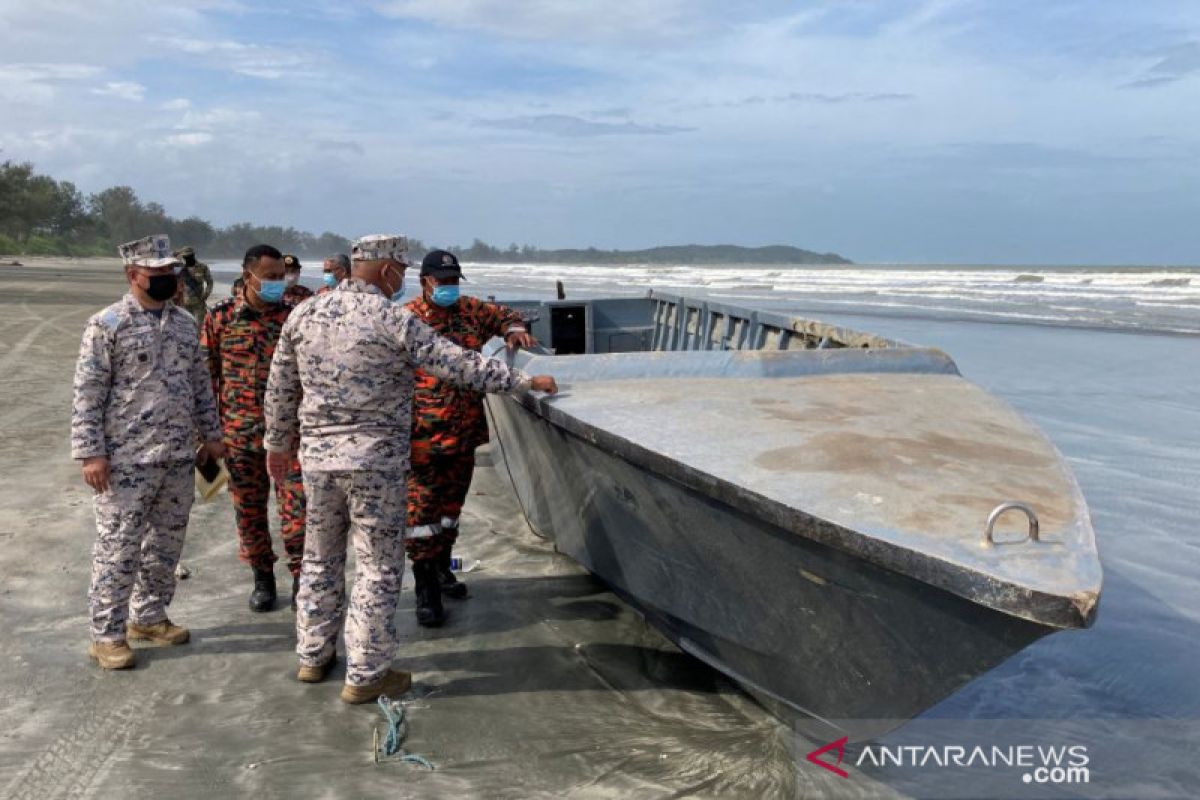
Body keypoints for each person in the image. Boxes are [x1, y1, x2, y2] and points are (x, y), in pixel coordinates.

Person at [263, 234, 558, 703]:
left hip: (317, 463)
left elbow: (279, 388)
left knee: (320, 558)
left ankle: (313, 656)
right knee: (377, 567)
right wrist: (522, 379)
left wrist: (277, 446)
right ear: (387, 272)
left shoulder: (303, 313)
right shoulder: (390, 317)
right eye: (401, 271)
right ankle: (366, 675)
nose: (402, 280)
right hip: (375, 463)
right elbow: (457, 364)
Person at [71, 234, 224, 669]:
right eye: (156, 273)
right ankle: (106, 635)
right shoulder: (107, 324)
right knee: (118, 549)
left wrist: (211, 434)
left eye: (170, 272)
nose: (167, 280)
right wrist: (90, 453)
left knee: (166, 544)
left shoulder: (182, 324)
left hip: (177, 455)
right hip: (125, 460)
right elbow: (88, 392)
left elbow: (199, 384)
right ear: (132, 275)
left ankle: (149, 616)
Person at [403, 249, 536, 626]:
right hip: (423, 437)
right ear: (425, 282)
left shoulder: (470, 311)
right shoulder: (408, 318)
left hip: (462, 434)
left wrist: (514, 329)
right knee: (421, 516)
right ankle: (425, 588)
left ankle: (443, 569)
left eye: (452, 282)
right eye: (441, 282)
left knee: (449, 511)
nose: (448, 288)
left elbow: (507, 315)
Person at [201, 244, 306, 612]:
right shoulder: (221, 319)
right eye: (272, 277)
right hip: (239, 437)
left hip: (291, 439)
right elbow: (205, 378)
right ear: (249, 277)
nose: (280, 284)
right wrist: (207, 434)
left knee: (298, 514)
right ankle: (263, 578)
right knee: (249, 513)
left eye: (282, 276)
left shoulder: (295, 319)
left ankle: (300, 580)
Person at [174, 246, 214, 322]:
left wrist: (206, 294)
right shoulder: (181, 269)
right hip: (184, 304)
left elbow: (210, 282)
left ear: (193, 255)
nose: (187, 258)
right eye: (185, 257)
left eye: (189, 256)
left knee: (199, 328)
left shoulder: (202, 267)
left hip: (199, 303)